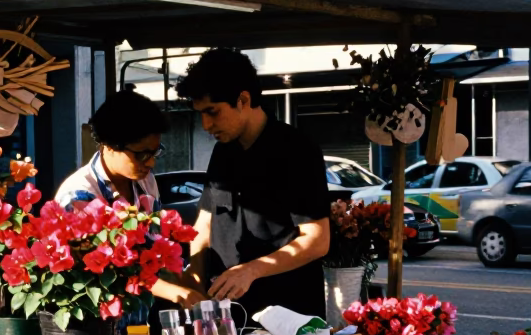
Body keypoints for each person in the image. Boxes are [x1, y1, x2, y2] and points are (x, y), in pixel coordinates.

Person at [175, 48, 331, 318]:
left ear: (243, 100)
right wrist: (196, 284)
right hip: (226, 314)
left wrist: (252, 269)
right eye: (200, 113)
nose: (205, 124)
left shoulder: (296, 150)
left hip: (287, 313)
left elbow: (317, 240)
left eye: (212, 112)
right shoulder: (222, 152)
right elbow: (203, 225)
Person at [55, 90, 205, 309]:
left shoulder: (146, 182)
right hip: (99, 315)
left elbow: (158, 247)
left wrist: (190, 285)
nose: (151, 163)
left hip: (142, 311)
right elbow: (106, 270)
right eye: (142, 154)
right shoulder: (79, 194)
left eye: (155, 152)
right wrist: (176, 292)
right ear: (109, 145)